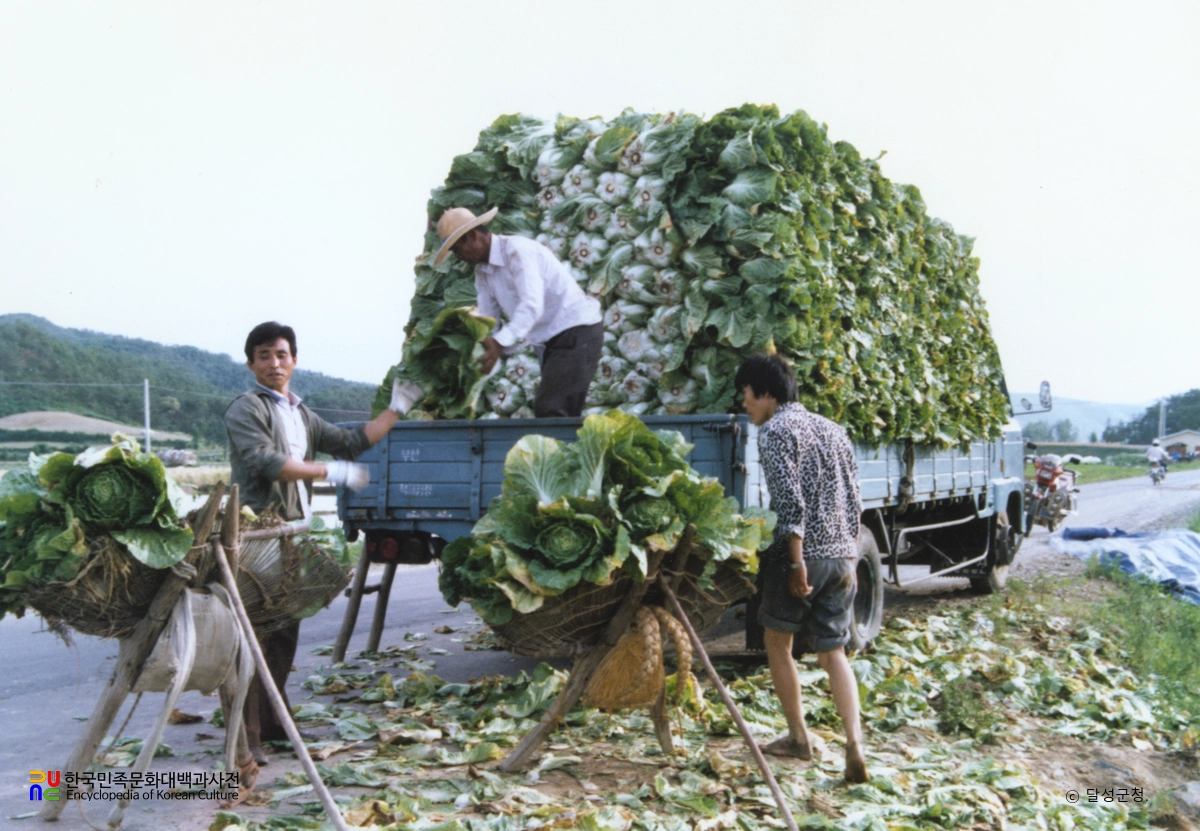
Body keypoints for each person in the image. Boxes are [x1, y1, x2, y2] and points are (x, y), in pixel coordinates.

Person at [225, 321, 421, 767]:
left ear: (293, 359)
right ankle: (247, 737)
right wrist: (329, 473)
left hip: (293, 534)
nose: (274, 363)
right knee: (254, 636)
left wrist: (396, 409)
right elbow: (268, 463)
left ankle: (274, 724)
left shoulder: (300, 412)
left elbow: (351, 441)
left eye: (281, 354)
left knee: (283, 632)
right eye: (264, 356)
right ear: (251, 364)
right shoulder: (246, 409)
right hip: (257, 536)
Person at [734, 353, 869, 783]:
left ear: (767, 393)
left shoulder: (775, 431)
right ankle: (855, 742)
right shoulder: (834, 429)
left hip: (801, 555)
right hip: (841, 556)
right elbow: (854, 498)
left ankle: (798, 738)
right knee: (834, 651)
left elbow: (790, 504)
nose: (745, 404)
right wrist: (850, 556)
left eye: (747, 395)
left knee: (778, 643)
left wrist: (794, 564)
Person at [433, 206, 604, 417]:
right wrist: (479, 350)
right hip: (549, 341)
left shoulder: (517, 251)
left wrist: (499, 343)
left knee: (552, 409)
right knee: (557, 411)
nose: (458, 257)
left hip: (576, 331)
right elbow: (489, 321)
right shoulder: (483, 274)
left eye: (457, 250)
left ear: (472, 236)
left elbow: (532, 305)